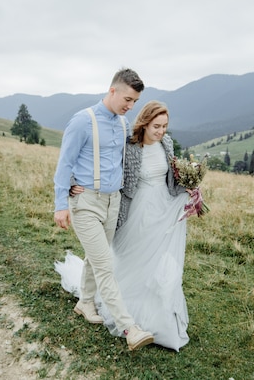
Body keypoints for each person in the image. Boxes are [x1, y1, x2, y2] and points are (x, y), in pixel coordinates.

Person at [57, 100, 191, 351]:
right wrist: (73, 181)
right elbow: (96, 158)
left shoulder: (167, 144)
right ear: (145, 123)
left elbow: (172, 180)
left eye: (165, 126)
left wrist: (190, 188)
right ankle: (123, 311)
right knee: (129, 257)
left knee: (156, 260)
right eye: (156, 126)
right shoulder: (129, 145)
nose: (161, 131)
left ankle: (155, 310)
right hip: (135, 210)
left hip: (162, 209)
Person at [53, 68, 154, 351]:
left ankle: (85, 302)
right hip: (85, 202)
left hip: (113, 201)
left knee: (95, 258)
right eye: (128, 99)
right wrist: (61, 204)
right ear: (113, 91)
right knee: (105, 265)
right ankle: (130, 328)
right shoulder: (82, 121)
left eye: (134, 101)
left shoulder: (123, 123)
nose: (130, 106)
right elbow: (64, 164)